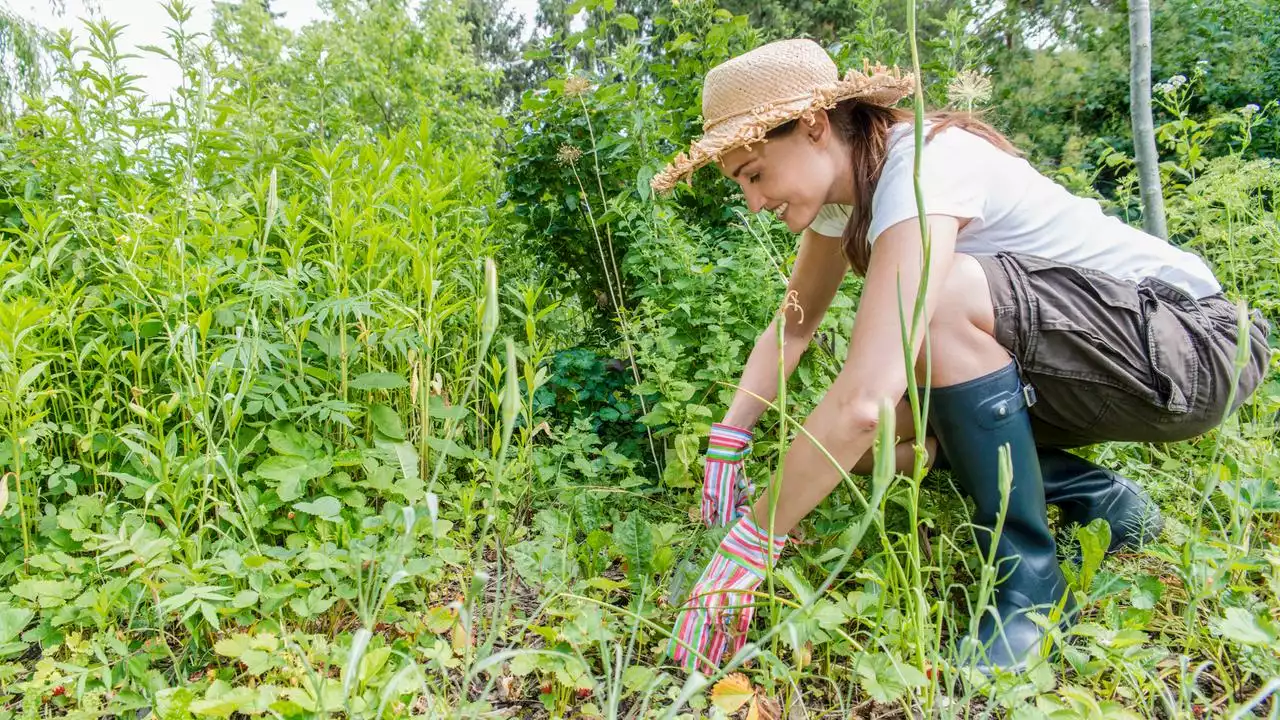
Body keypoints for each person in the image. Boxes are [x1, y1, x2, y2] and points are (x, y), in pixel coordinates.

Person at [650, 38, 1272, 676]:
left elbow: (863, 398)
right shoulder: (844, 200)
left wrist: (750, 545)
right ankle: (1101, 500)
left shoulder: (923, 166)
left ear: (812, 126)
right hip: (1098, 364)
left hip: (1196, 347)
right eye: (741, 186)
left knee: (932, 305)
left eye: (754, 174)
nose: (754, 201)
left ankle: (1029, 587)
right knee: (863, 450)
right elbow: (794, 327)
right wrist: (730, 437)